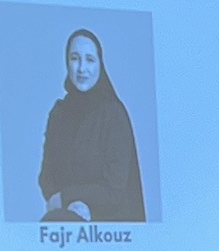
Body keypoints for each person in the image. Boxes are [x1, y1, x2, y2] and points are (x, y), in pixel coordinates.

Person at [37, 28, 146, 223]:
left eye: (89, 60)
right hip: (67, 217)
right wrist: (70, 205)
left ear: (100, 65)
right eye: (74, 58)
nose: (81, 68)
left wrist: (69, 198)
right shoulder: (59, 114)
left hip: (112, 227)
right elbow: (46, 176)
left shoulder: (113, 114)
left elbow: (115, 190)